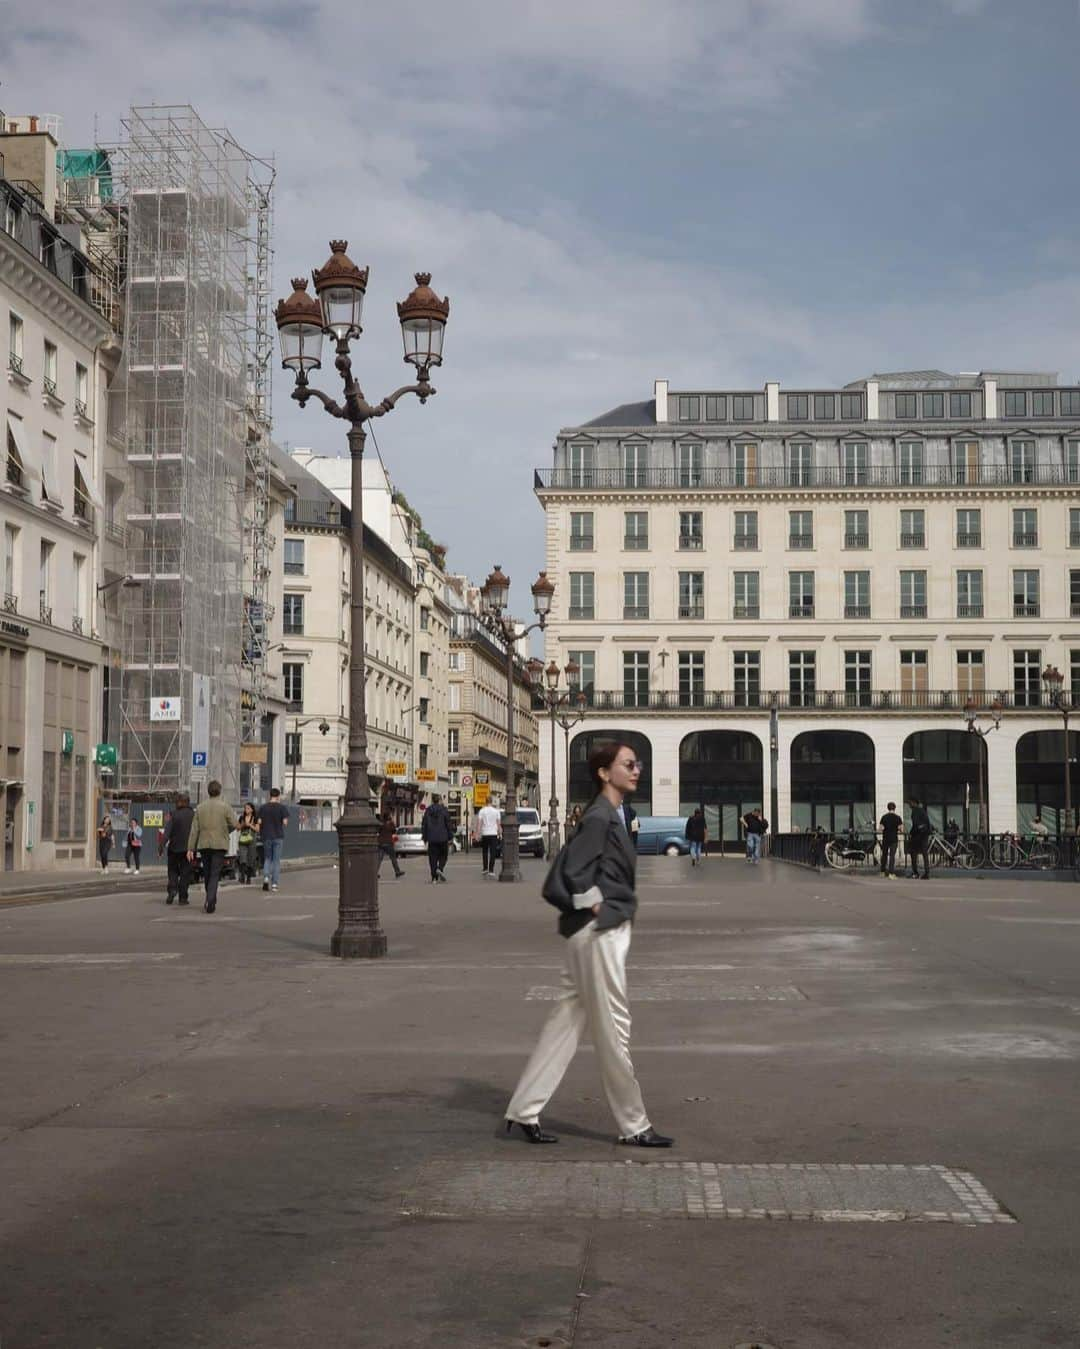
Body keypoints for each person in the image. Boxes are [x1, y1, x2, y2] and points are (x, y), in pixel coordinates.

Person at [504, 741, 673, 1149]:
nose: (636, 770)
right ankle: (634, 1124)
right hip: (600, 935)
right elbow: (577, 870)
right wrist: (595, 905)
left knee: (564, 1025)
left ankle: (524, 1110)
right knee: (615, 1028)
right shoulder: (600, 816)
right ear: (603, 772)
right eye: (628, 764)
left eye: (638, 764)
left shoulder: (612, 813)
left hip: (590, 933)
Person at [187, 780, 237, 914]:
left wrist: (190, 848)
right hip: (219, 844)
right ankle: (210, 899)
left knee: (207, 873)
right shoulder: (225, 807)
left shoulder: (200, 807)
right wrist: (226, 831)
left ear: (208, 791)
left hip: (204, 844)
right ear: (219, 791)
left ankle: (210, 899)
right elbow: (235, 824)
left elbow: (194, 829)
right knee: (215, 873)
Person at [160, 793, 194, 905]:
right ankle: (183, 897)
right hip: (188, 849)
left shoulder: (174, 815)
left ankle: (172, 889)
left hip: (174, 848)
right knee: (185, 873)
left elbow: (167, 832)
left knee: (172, 871)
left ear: (180, 802)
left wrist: (161, 845)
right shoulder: (193, 815)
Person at [256, 787, 289, 893]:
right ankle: (274, 884)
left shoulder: (263, 808)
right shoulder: (282, 808)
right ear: (278, 796)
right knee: (276, 861)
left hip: (266, 836)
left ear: (269, 795)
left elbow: (259, 822)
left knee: (267, 858)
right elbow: (285, 822)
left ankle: (266, 877)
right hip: (278, 836)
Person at [421, 793, 453, 883]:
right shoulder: (444, 810)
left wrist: (425, 837)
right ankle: (440, 868)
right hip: (443, 837)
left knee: (432, 858)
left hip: (431, 838)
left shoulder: (428, 811)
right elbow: (448, 824)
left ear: (432, 801)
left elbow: (424, 825)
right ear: (439, 800)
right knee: (444, 855)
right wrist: (450, 836)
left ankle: (434, 878)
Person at [907, 798, 932, 879]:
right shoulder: (923, 811)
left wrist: (911, 833)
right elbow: (927, 823)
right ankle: (927, 873)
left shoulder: (915, 811)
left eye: (910, 803)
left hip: (917, 835)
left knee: (913, 853)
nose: (909, 805)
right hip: (925, 834)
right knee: (925, 854)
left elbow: (915, 824)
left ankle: (915, 872)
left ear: (914, 803)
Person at [477, 797, 501, 877]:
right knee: (493, 852)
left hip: (485, 833)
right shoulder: (496, 811)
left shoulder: (482, 811)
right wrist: (500, 833)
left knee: (485, 851)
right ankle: (491, 870)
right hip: (493, 833)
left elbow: (479, 823)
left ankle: (485, 868)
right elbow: (498, 824)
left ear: (485, 802)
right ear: (492, 802)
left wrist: (478, 833)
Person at [236, 803, 260, 884]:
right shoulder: (241, 818)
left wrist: (250, 825)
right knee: (242, 858)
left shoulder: (255, 818)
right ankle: (242, 876)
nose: (246, 810)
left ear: (252, 810)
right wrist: (243, 824)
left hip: (251, 841)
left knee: (250, 859)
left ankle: (248, 878)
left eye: (248, 808)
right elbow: (237, 828)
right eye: (245, 808)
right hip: (242, 841)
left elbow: (257, 829)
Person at [377, 810, 404, 878]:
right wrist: (392, 823)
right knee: (393, 858)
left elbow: (378, 830)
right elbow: (394, 831)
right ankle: (397, 871)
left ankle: (375, 872)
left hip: (381, 843)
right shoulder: (391, 823)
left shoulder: (381, 823)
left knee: (379, 859)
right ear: (389, 817)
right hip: (388, 843)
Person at [879, 802, 903, 877]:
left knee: (884, 855)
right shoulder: (898, 817)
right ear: (894, 808)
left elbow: (881, 828)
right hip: (894, 839)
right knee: (892, 856)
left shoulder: (884, 817)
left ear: (888, 808)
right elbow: (901, 829)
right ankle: (891, 873)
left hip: (886, 838)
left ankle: (882, 871)